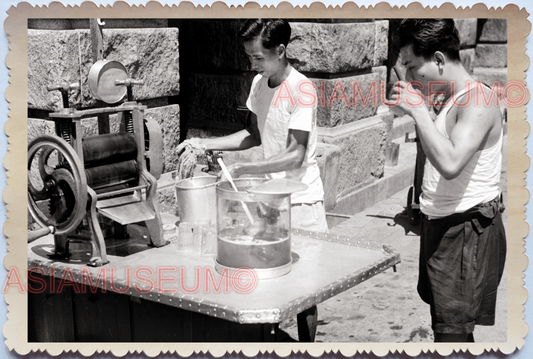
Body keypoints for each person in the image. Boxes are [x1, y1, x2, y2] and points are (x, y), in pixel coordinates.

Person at [386, 19, 506, 342]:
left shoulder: (477, 99)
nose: (410, 78)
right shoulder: (450, 98)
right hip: (443, 228)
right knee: (447, 331)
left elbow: (451, 162)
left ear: (438, 60)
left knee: (452, 338)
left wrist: (419, 111)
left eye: (413, 68)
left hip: (465, 233)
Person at [177, 19, 328, 234]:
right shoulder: (259, 83)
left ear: (280, 50)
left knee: (309, 265)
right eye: (249, 56)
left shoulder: (301, 88)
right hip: (270, 199)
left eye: (258, 57)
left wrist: (242, 168)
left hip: (301, 203)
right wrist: (203, 143)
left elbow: (295, 156)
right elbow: (254, 134)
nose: (252, 64)